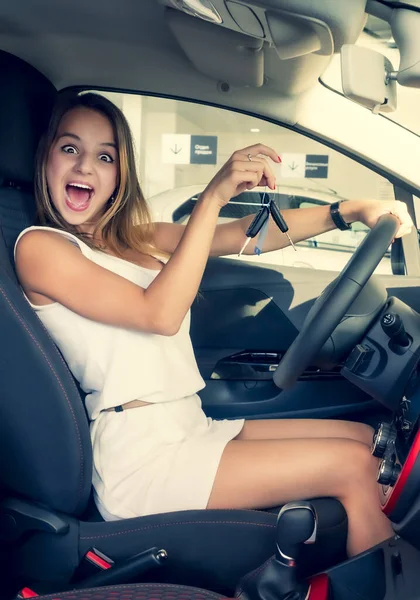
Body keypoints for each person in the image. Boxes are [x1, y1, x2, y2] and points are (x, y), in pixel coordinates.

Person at [14, 92, 412, 558]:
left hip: (189, 424)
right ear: (44, 159)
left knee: (367, 443)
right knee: (352, 468)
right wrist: (213, 194)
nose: (85, 167)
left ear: (120, 175)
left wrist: (346, 211)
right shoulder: (40, 247)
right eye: (70, 149)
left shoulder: (129, 237)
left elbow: (241, 236)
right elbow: (157, 314)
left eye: (105, 156)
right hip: (141, 458)